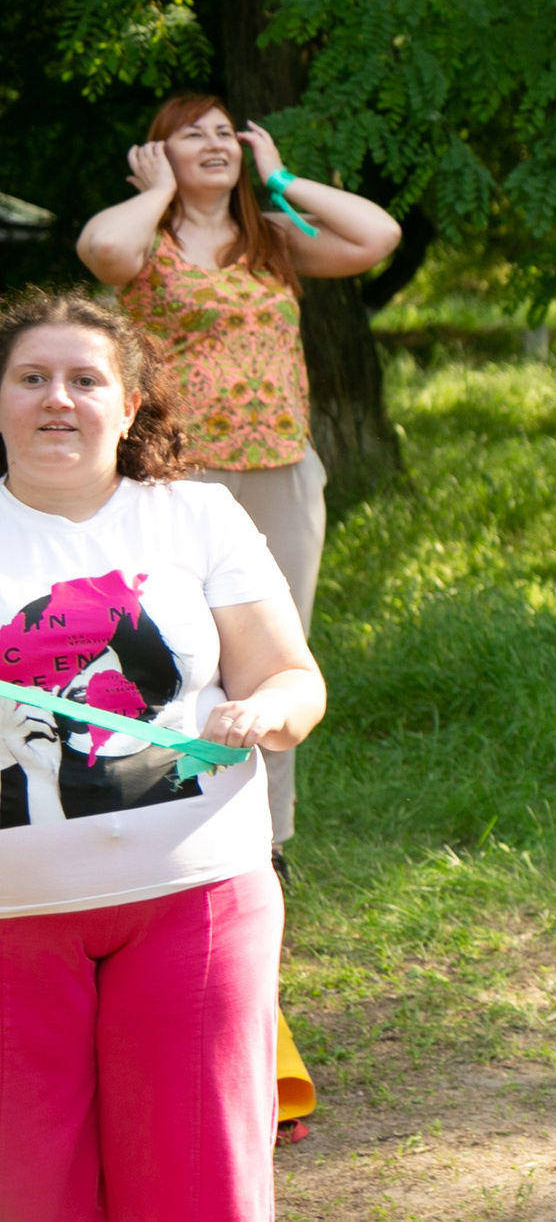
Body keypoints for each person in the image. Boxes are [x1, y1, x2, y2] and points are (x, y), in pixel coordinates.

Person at [0, 292, 326, 1221]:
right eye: (31, 378)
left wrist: (264, 711)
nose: (57, 398)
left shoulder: (198, 516)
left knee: (196, 1190)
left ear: (131, 404)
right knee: (25, 1192)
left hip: (197, 902)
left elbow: (294, 679)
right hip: (9, 927)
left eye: (84, 379)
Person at [75, 94, 398, 858]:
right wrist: (155, 192)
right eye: (193, 135)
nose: (216, 143)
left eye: (228, 133)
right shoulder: (147, 241)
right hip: (180, 476)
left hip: (283, 472)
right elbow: (99, 248)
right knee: (180, 653)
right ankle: (165, 823)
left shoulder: (274, 242)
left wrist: (282, 180)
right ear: (159, 154)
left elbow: (376, 235)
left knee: (278, 659)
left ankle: (268, 841)